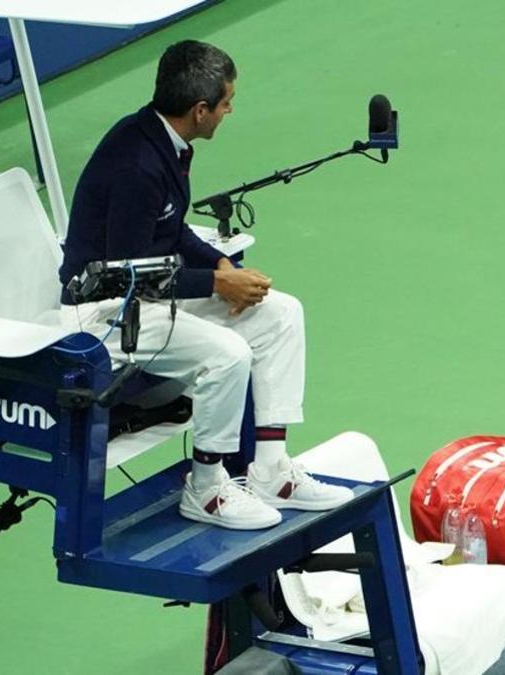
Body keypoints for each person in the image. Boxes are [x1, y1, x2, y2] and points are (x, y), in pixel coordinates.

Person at [58, 40, 352, 530]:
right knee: (228, 353)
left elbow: (170, 235)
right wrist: (218, 285)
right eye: (226, 102)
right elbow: (128, 274)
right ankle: (208, 489)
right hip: (104, 313)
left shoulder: (164, 141)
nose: (229, 109)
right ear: (200, 110)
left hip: (142, 295)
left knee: (281, 314)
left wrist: (222, 266)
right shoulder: (137, 165)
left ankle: (272, 471)